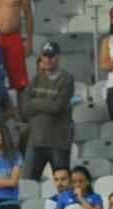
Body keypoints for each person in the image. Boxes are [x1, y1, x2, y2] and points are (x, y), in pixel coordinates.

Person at [22, 43, 75, 182]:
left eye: (51, 56)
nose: (48, 60)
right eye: (45, 56)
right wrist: (47, 103)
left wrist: (36, 102)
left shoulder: (66, 79)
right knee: (28, 184)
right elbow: (25, 108)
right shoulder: (35, 79)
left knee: (62, 183)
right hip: (35, 140)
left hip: (58, 142)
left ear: (58, 57)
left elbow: (57, 107)